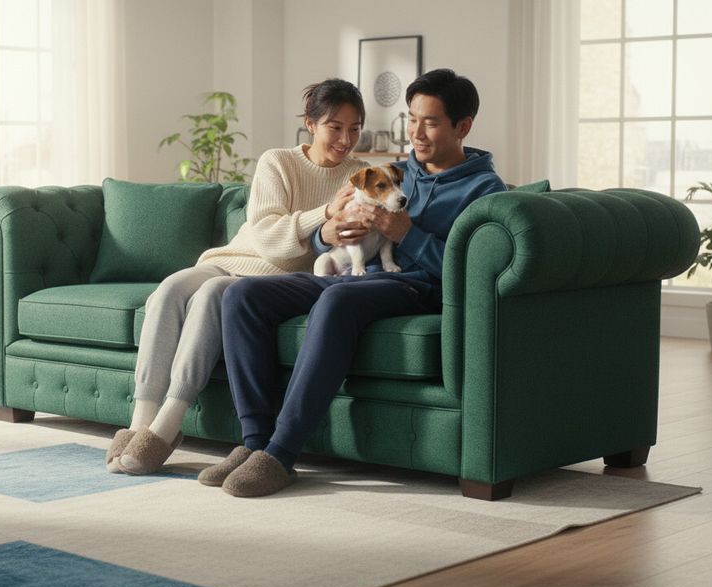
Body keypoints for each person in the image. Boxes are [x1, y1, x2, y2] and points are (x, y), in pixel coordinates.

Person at [203, 68, 508, 497]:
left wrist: (408, 235)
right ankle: (254, 444)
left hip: (416, 287)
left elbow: (473, 270)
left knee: (338, 300)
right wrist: (326, 234)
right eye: (412, 119)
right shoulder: (393, 172)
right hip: (356, 273)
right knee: (242, 295)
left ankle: (281, 453)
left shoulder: (486, 190)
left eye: (431, 122)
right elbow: (334, 227)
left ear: (463, 127)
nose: (416, 133)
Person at [108, 79, 371, 475]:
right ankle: (139, 422)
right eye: (335, 127)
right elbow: (265, 236)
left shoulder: (362, 177)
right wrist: (325, 214)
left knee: (212, 294)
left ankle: (168, 423)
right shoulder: (277, 161)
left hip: (272, 282)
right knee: (169, 290)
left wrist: (328, 231)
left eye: (355, 129)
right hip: (234, 258)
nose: (346, 139)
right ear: (310, 124)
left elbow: (340, 247)